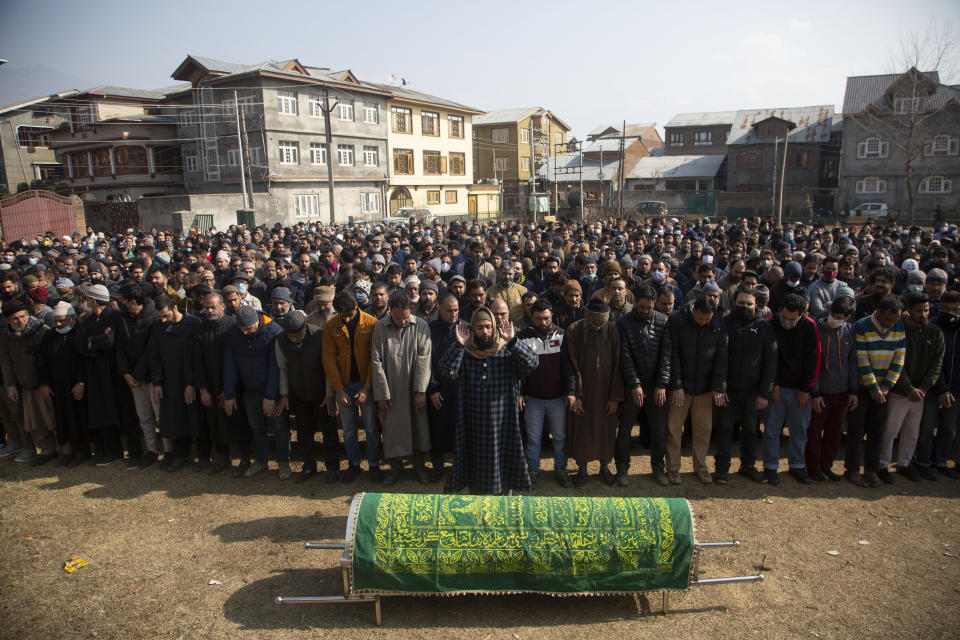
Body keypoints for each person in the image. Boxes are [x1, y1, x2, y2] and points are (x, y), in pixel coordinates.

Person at [440, 306, 538, 495]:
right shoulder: (466, 352)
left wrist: (513, 341)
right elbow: (447, 371)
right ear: (473, 329)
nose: (484, 332)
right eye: (479, 327)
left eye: (487, 327)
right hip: (473, 423)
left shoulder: (506, 350)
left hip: (504, 423)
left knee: (504, 464)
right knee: (476, 467)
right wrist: (459, 344)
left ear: (493, 327)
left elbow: (532, 364)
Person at [715, 287, 778, 484]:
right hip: (728, 390)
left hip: (753, 391)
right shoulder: (724, 323)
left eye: (749, 304)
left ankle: (748, 465)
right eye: (741, 303)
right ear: (734, 303)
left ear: (757, 304)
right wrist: (719, 387)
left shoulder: (765, 327)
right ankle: (721, 469)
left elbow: (771, 362)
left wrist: (764, 393)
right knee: (724, 430)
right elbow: (718, 359)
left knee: (750, 430)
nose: (745, 307)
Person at [880, 293, 943, 483]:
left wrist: (923, 388)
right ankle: (882, 464)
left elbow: (937, 363)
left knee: (912, 430)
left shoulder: (934, 332)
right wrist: (908, 388)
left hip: (921, 393)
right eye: (919, 310)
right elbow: (896, 361)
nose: (923, 314)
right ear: (909, 311)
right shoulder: (899, 329)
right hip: (900, 392)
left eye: (926, 310)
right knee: (891, 430)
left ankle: (905, 463)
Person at [371, 293, 432, 485]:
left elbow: (424, 359)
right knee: (392, 429)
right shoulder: (380, 327)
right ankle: (395, 468)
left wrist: (421, 390)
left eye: (405, 317)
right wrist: (381, 393)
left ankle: (420, 467)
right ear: (390, 312)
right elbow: (376, 361)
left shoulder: (421, 325)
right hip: (391, 389)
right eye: (398, 318)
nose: (402, 321)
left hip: (413, 389)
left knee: (418, 427)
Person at [666, 296, 728, 484]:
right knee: (674, 429)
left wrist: (718, 387)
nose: (703, 322)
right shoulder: (677, 320)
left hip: (705, 388)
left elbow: (721, 358)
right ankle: (673, 468)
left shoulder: (718, 324)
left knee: (703, 431)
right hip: (681, 387)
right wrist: (676, 385)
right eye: (700, 318)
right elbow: (672, 353)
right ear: (694, 311)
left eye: (707, 319)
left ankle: (700, 467)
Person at [847, 295, 906, 488]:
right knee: (856, 429)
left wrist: (887, 386)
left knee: (877, 430)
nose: (891, 323)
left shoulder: (898, 327)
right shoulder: (862, 326)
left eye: (895, 319)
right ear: (878, 312)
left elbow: (899, 359)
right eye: (889, 319)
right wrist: (873, 387)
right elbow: (861, 360)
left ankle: (871, 470)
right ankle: (853, 469)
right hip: (863, 387)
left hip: (884, 389)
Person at [223, 305, 289, 479]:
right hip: (249, 390)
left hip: (270, 391)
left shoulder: (273, 332)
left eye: (249, 329)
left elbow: (275, 366)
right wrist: (229, 393)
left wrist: (270, 396)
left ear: (258, 322)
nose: (245, 333)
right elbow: (230, 363)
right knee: (256, 427)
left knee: (280, 427)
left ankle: (284, 462)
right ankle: (260, 460)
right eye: (242, 329)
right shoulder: (234, 333)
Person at [563, 299, 623, 487]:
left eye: (601, 324)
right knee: (581, 429)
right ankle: (582, 469)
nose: (598, 327)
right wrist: (574, 394)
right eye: (594, 323)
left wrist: (614, 397)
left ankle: (604, 466)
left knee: (606, 429)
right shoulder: (573, 330)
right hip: (583, 393)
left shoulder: (613, 330)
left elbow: (618, 365)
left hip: (606, 392)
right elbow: (569, 365)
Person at [322, 291, 381, 483]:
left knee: (372, 428)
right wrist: (339, 389)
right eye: (342, 315)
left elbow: (375, 358)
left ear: (356, 305)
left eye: (348, 314)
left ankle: (373, 464)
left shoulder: (371, 323)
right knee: (348, 430)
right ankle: (354, 464)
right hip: (345, 384)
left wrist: (366, 388)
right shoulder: (331, 325)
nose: (346, 318)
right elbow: (329, 359)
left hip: (366, 382)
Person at [275, 310, 340, 484]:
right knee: (304, 433)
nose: (295, 339)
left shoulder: (319, 335)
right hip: (299, 394)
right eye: (291, 336)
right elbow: (283, 368)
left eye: (298, 335)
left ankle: (333, 468)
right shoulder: (281, 341)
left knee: (329, 432)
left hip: (321, 394)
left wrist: (329, 394)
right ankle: (309, 466)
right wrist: (284, 394)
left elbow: (329, 367)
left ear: (305, 327)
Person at [762, 293, 821, 485]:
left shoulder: (810, 326)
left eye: (792, 319)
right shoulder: (770, 324)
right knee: (772, 430)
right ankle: (770, 467)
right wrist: (774, 385)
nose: (787, 322)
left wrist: (806, 389)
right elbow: (769, 358)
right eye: (784, 317)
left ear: (802, 315)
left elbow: (814, 359)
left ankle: (797, 465)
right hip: (777, 388)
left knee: (799, 430)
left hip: (800, 391)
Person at [617, 286, 671, 486]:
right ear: (635, 303)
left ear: (654, 304)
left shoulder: (663, 321)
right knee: (625, 430)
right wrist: (635, 384)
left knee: (659, 432)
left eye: (649, 307)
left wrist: (662, 384)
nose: (645, 311)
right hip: (633, 386)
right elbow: (625, 357)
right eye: (641, 307)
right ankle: (622, 468)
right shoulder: (624, 323)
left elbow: (666, 355)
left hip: (656, 385)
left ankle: (658, 467)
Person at [193, 292, 247, 476]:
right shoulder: (200, 329)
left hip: (232, 386)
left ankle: (245, 459)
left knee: (237, 422)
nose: (209, 311)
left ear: (222, 306)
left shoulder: (232, 326)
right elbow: (197, 361)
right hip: (210, 386)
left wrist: (230, 389)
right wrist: (202, 389)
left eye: (213, 307)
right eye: (206, 307)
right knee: (213, 422)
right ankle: (221, 457)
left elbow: (239, 359)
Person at [516, 299, 570, 488]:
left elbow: (568, 367)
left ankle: (561, 468)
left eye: (546, 318)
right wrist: (520, 393)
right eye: (538, 318)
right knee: (533, 437)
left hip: (558, 398)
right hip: (533, 398)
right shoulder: (522, 337)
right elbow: (519, 369)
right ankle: (533, 469)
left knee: (560, 436)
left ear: (551, 316)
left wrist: (570, 392)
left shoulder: (562, 335)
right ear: (531, 317)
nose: (543, 322)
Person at [806, 296, 859, 483]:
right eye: (832, 315)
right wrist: (815, 392)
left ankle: (826, 466)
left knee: (834, 432)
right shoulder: (816, 330)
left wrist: (853, 390)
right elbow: (813, 364)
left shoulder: (850, 332)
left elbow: (853, 362)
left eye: (839, 317)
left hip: (842, 392)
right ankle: (812, 466)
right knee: (814, 430)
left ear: (848, 317)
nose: (834, 319)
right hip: (821, 393)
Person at [149, 295, 203, 472]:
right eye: (160, 317)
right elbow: (154, 354)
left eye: (165, 315)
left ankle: (201, 454)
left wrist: (191, 383)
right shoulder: (158, 327)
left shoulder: (193, 324)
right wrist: (157, 381)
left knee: (194, 418)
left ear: (174, 308)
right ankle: (178, 454)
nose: (163, 320)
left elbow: (196, 356)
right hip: (169, 381)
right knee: (174, 419)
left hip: (189, 381)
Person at [0, 302, 57, 465]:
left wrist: (47, 382)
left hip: (44, 385)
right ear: (9, 320)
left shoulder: (41, 331)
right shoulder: (8, 336)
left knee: (52, 419)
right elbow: (6, 362)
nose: (19, 321)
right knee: (35, 423)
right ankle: (47, 450)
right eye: (14, 318)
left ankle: (63, 450)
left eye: (22, 316)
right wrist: (10, 385)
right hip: (25, 386)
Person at [115, 284, 161, 469]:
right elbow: (119, 348)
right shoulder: (122, 318)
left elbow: (151, 350)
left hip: (151, 377)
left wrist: (137, 374)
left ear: (133, 302)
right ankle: (151, 450)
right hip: (133, 379)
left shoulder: (153, 317)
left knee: (160, 416)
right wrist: (125, 373)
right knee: (144, 417)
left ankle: (169, 450)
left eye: (124, 302)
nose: (122, 305)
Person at [916, 290, 960, 479]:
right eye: (947, 308)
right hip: (933, 388)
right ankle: (923, 461)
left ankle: (941, 461)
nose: (951, 313)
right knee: (926, 427)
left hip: (956, 389)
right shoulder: (933, 327)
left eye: (956, 309)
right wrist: (941, 388)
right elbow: (934, 362)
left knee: (948, 428)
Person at [426, 294, 460, 481]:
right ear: (439, 309)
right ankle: (438, 467)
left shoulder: (465, 328)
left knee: (459, 431)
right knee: (437, 430)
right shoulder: (429, 329)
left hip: (460, 389)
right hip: (438, 389)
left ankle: (458, 468)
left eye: (456, 310)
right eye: (449, 310)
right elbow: (425, 363)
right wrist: (431, 389)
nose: (453, 314)